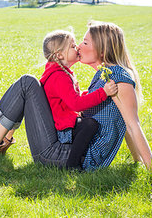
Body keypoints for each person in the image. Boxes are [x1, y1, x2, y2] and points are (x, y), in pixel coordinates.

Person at [0, 21, 152, 172]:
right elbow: (125, 124)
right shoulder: (105, 76)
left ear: (102, 49)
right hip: (66, 146)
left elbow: (132, 125)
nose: (79, 46)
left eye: (85, 42)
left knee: (27, 83)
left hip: (70, 154)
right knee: (29, 84)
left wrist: (151, 170)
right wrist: (139, 160)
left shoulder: (119, 80)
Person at [39, 30, 117, 168]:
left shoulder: (62, 73)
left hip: (66, 122)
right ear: (59, 54)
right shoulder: (59, 76)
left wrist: (87, 94)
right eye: (72, 46)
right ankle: (73, 164)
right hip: (63, 129)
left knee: (88, 124)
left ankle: (80, 158)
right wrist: (103, 93)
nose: (77, 48)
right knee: (89, 125)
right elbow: (75, 104)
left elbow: (68, 100)